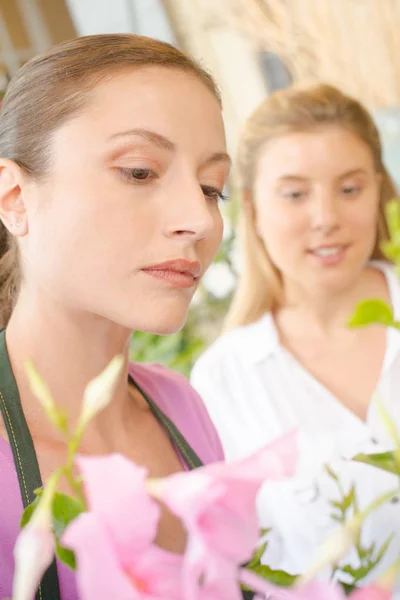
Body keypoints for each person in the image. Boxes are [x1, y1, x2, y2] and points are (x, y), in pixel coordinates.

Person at [0, 34, 231, 600]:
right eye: (138, 172)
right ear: (14, 198)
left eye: (211, 188)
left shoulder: (181, 404)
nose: (197, 219)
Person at [191, 83, 400, 586]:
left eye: (349, 189)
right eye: (295, 194)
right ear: (252, 209)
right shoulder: (225, 380)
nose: (327, 218)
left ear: (379, 191)